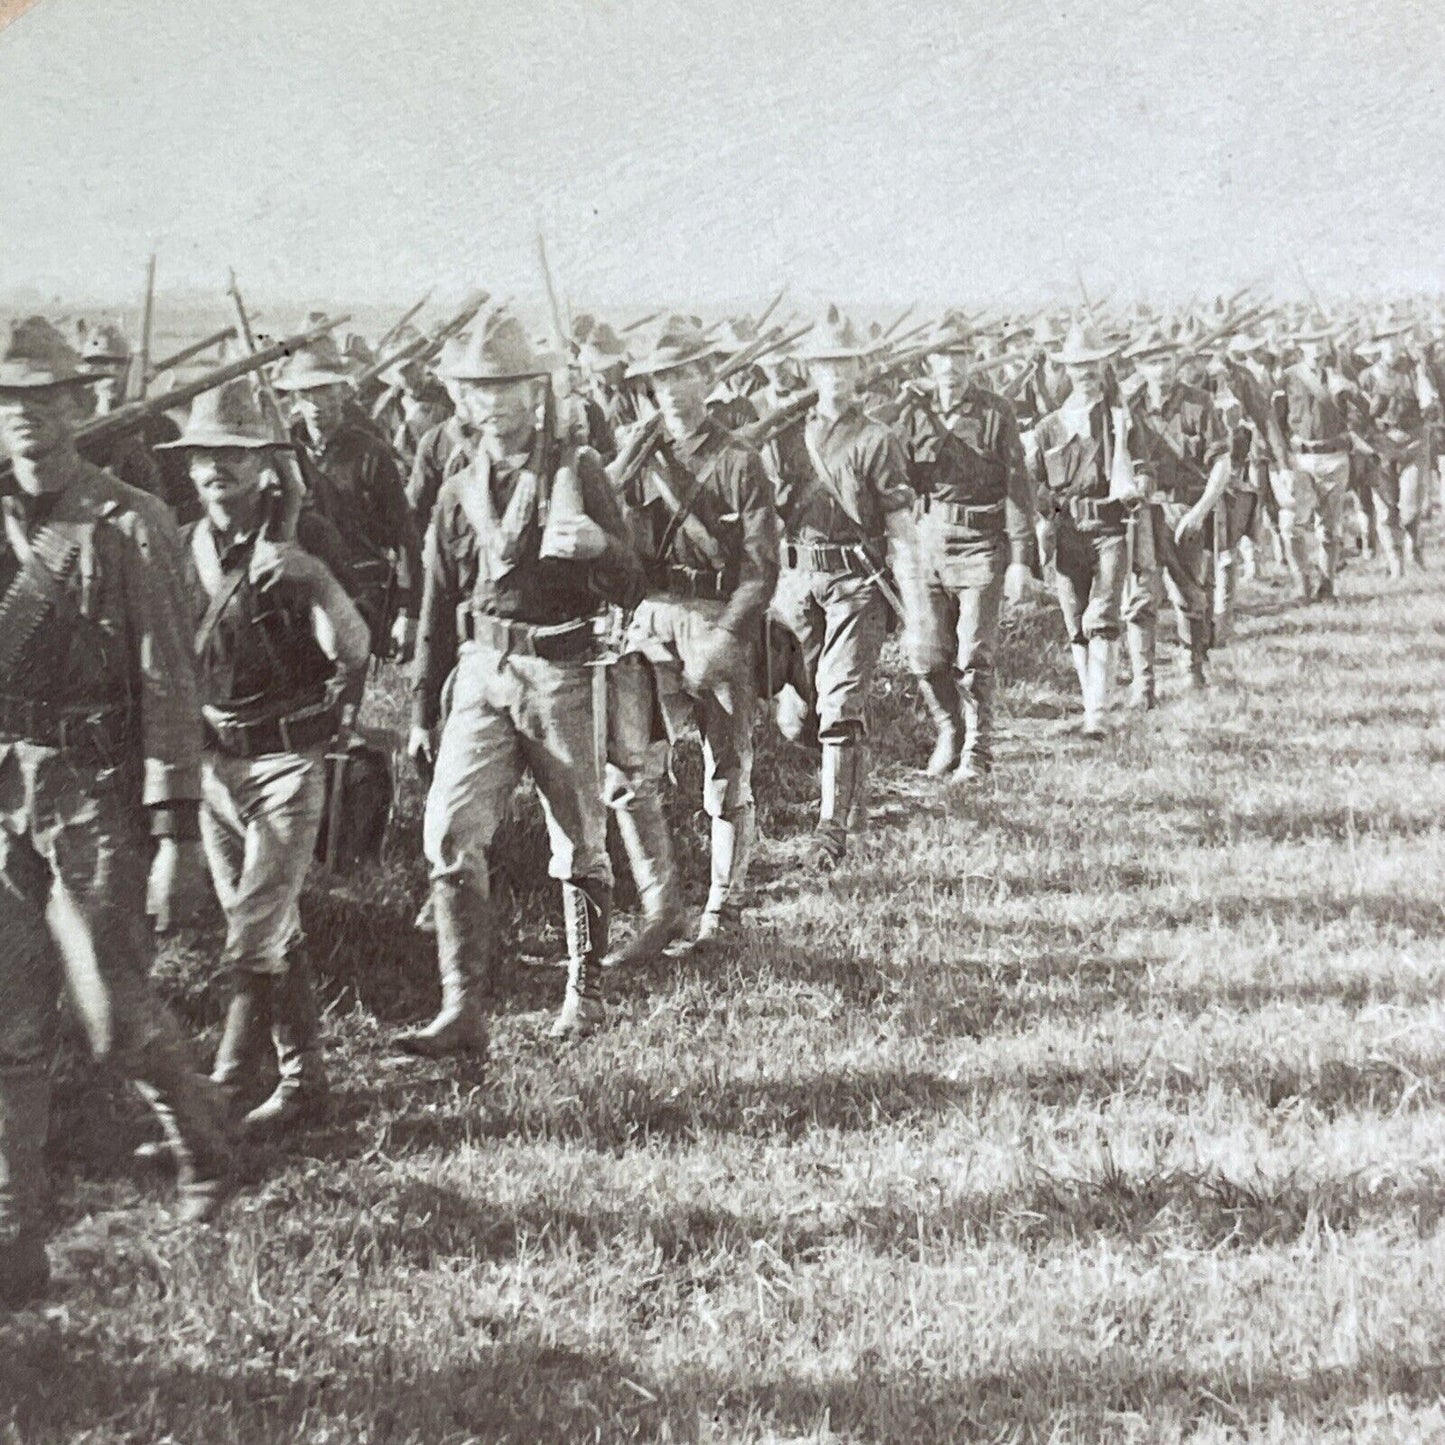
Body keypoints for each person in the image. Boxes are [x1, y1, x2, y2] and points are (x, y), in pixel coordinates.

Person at [0, 320, 232, 1306]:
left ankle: (208, 1148)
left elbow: (171, 685)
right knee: (9, 1025)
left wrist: (177, 834)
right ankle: (17, 1238)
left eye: (43, 400)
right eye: (9, 401)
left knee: (113, 1015)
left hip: (98, 793)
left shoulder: (132, 520)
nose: (24, 417)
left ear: (79, 409)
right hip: (7, 787)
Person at [403, 310, 643, 1051]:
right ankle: (462, 1007)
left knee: (578, 839)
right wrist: (421, 703)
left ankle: (584, 990)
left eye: (508, 386)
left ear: (533, 393)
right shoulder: (456, 490)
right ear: (462, 401)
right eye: (480, 389)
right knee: (447, 831)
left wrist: (598, 544)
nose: (495, 402)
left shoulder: (579, 473)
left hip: (561, 669)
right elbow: (436, 604)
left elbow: (633, 582)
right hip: (481, 668)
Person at [159, 378, 370, 1138]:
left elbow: (353, 651)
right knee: (275, 932)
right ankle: (304, 1081)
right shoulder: (183, 546)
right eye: (204, 455)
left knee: (250, 934)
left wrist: (307, 574)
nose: (216, 467)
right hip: (214, 762)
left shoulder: (306, 540)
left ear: (264, 466)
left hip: (288, 761)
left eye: (234, 454)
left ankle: (217, 1094)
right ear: (188, 469)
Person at [606, 317, 780, 956]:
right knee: (629, 767)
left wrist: (726, 635)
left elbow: (762, 570)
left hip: (718, 619)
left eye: (684, 374)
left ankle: (722, 908)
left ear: (708, 379)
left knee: (725, 771)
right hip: (651, 619)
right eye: (660, 379)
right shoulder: (638, 454)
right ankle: (661, 910)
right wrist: (625, 462)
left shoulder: (740, 460)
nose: (673, 389)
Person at [768, 308, 922, 866]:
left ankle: (829, 832)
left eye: (845, 364)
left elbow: (902, 530)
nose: (836, 374)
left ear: (861, 368)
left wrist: (918, 615)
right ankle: (852, 778)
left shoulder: (877, 439)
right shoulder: (785, 436)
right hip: (797, 584)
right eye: (825, 365)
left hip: (858, 583)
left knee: (837, 705)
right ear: (811, 371)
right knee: (795, 720)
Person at [897, 315, 1036, 780]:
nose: (950, 366)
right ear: (929, 363)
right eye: (942, 357)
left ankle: (978, 750)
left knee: (973, 655)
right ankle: (950, 730)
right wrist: (900, 410)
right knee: (925, 652)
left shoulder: (996, 412)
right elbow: (894, 471)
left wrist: (1019, 558)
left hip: (980, 544)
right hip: (928, 541)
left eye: (959, 356)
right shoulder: (915, 413)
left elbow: (1018, 485)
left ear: (973, 360)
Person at [273, 334, 420, 660]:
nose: (317, 403)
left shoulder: (370, 453)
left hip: (362, 589)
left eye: (325, 390)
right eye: (307, 392)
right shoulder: (285, 451)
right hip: (302, 589)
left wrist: (409, 612)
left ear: (342, 391)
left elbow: (406, 536)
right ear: (296, 397)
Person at [1031, 323, 1143, 737]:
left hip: (1109, 525)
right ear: (1066, 370)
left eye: (1092, 364)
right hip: (1067, 531)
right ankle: (1090, 703)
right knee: (1075, 622)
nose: (1085, 373)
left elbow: (1142, 465)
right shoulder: (1049, 427)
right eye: (1077, 366)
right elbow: (1035, 482)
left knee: (1104, 615)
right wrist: (1044, 518)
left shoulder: (1119, 419)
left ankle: (1098, 713)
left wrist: (1137, 484)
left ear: (1103, 365)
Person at [1278, 324, 1352, 601]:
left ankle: (1327, 583)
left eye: (1320, 339)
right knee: (1292, 525)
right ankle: (1302, 581)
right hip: (1300, 458)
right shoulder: (1287, 378)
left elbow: (1364, 410)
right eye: (1310, 341)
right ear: (1299, 346)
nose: (1317, 347)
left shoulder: (1340, 374)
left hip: (1334, 457)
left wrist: (1348, 389)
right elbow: (1276, 419)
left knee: (1330, 528)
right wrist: (1283, 459)